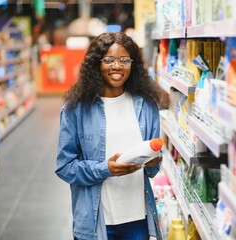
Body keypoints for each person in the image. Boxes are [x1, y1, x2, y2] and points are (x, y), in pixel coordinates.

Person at [55, 32, 163, 240]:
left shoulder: (147, 106)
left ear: (133, 64)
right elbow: (65, 167)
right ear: (97, 64)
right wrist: (105, 169)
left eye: (124, 60)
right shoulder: (75, 110)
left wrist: (152, 162)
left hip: (137, 217)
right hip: (96, 220)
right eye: (109, 60)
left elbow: (152, 170)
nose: (117, 66)